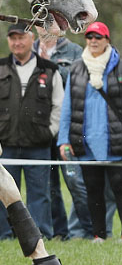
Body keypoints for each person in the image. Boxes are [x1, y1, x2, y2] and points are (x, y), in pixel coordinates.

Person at [0, 24, 62, 240]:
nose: (17, 43)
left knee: (40, 195)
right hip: (5, 144)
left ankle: (41, 237)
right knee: (4, 193)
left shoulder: (50, 69)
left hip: (38, 145)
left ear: (32, 39)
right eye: (12, 38)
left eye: (21, 38)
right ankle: (7, 237)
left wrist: (50, 131)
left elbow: (59, 105)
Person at [58, 21, 122, 242]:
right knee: (93, 191)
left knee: (119, 191)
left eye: (98, 37)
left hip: (115, 141)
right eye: (90, 37)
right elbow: (67, 106)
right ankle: (99, 235)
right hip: (85, 142)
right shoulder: (77, 67)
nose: (93, 41)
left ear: (107, 40)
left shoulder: (119, 64)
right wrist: (64, 140)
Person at [35, 27, 87, 239]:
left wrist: (50, 67)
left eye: (49, 25)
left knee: (76, 182)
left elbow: (79, 83)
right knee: (49, 186)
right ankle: (60, 232)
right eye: (40, 25)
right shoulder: (29, 50)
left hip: (67, 128)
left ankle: (87, 229)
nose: (44, 29)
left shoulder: (74, 51)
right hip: (41, 128)